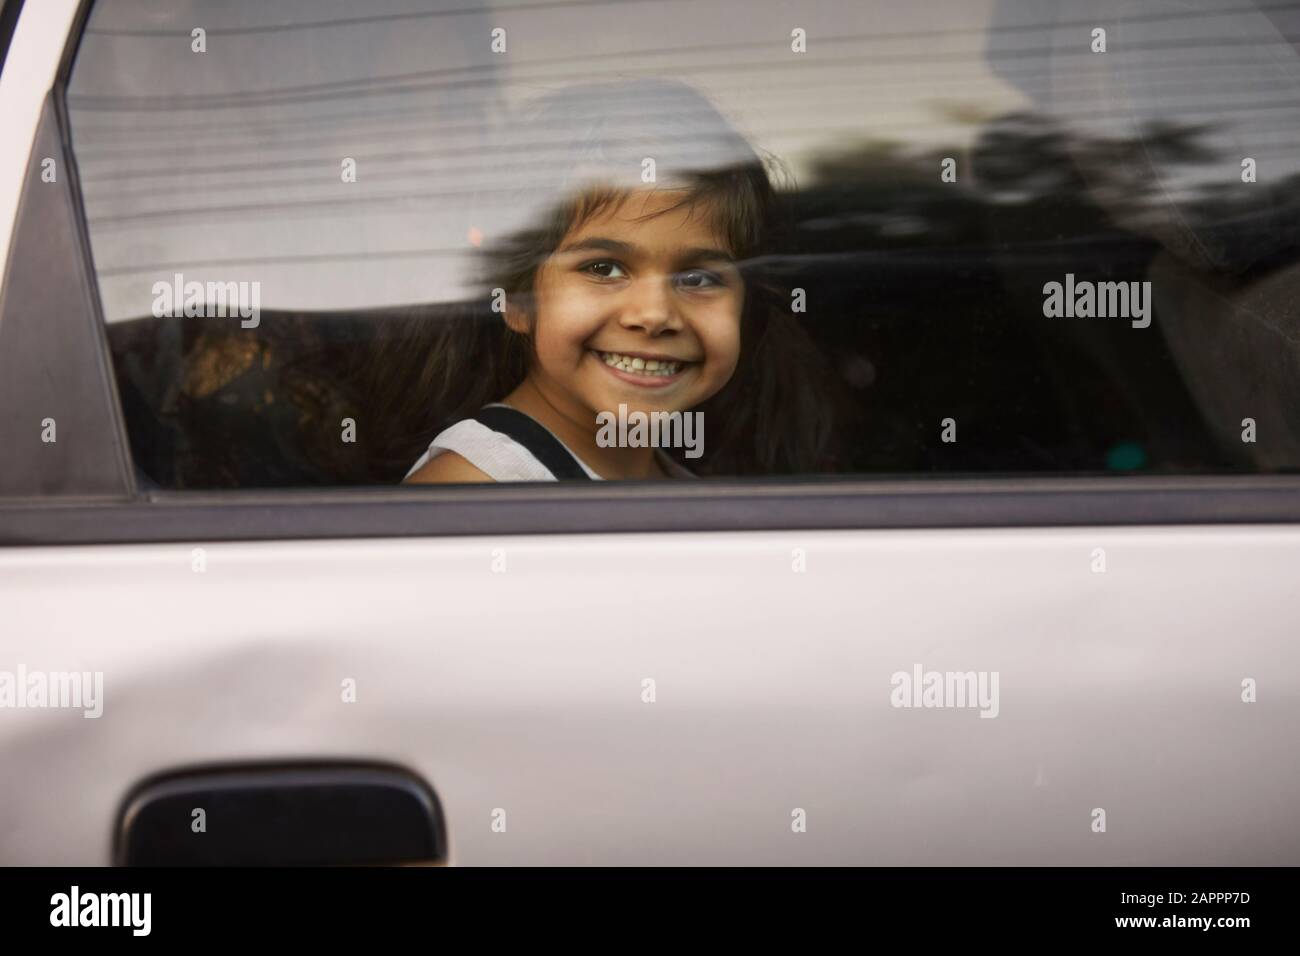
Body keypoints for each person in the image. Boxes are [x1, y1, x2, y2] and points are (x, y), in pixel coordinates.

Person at [375, 79, 841, 482]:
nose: (654, 315)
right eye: (603, 268)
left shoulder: (671, 477)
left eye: (698, 278)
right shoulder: (480, 492)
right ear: (517, 300)